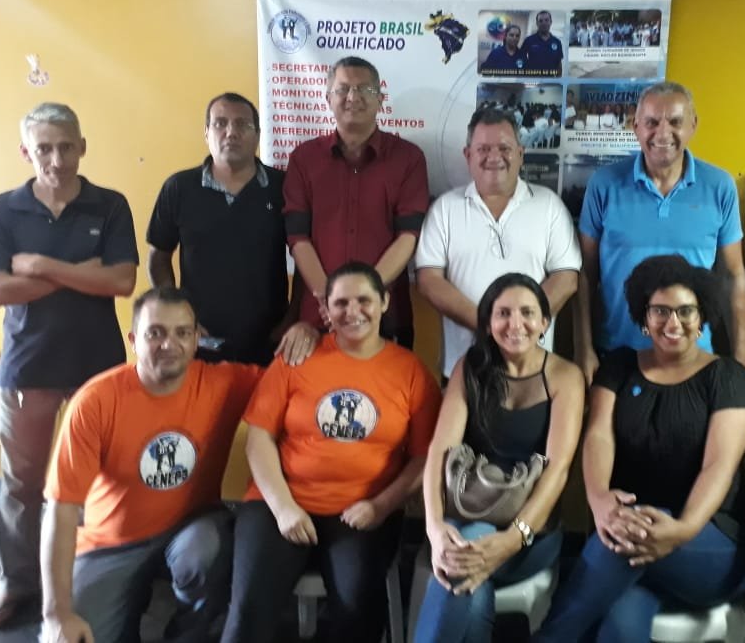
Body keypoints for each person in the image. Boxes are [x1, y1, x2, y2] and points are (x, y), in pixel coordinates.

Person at [39, 287, 315, 643]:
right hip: (110, 542)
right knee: (69, 636)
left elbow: (296, 381)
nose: (170, 344)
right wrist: (56, 612)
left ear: (197, 339)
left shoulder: (225, 383)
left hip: (191, 529)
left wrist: (307, 331)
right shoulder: (96, 401)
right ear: (134, 340)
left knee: (207, 550)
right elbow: (61, 508)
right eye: (155, 333)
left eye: (182, 333)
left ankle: (188, 633)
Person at [534, 255, 745, 643]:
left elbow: (719, 467)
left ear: (702, 317)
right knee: (620, 624)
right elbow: (599, 436)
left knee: (623, 542)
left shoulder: (728, 377)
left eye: (686, 311)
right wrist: (599, 500)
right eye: (660, 311)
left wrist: (684, 529)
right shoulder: (620, 366)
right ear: (644, 316)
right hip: (631, 537)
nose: (673, 322)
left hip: (713, 541)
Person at [0, 102, 138, 631]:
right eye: (44, 148)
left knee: (104, 479)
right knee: (22, 487)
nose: (56, 159)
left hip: (98, 365)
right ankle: (17, 584)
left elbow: (121, 282)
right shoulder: (2, 211)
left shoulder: (109, 205)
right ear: (26, 152)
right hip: (27, 366)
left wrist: (42, 267)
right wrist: (81, 273)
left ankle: (97, 577)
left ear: (82, 147)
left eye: (66, 146)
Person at [221, 262, 442, 643]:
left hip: (362, 512)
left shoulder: (412, 372)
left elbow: (425, 458)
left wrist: (382, 506)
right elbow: (259, 439)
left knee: (357, 610)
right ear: (325, 310)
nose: (352, 311)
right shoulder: (295, 359)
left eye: (364, 300)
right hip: (280, 503)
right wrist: (283, 507)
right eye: (340, 303)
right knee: (248, 611)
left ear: (384, 302)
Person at [414, 273, 585, 643]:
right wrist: (434, 528)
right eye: (503, 313)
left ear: (545, 322)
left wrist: (514, 537)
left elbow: (558, 471)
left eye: (527, 313)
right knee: (466, 578)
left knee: (459, 566)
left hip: (532, 530)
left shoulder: (565, 377)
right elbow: (439, 451)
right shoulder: (469, 367)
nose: (515, 324)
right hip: (466, 515)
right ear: (488, 324)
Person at [575, 81, 745, 386]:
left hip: (694, 358)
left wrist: (742, 357)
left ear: (693, 125)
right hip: (617, 356)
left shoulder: (720, 186)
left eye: (675, 122)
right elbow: (585, 275)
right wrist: (582, 349)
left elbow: (733, 276)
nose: (663, 133)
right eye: (652, 122)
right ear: (636, 126)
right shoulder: (604, 184)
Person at [416, 109, 581, 382]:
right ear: (468, 155)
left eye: (504, 148)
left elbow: (566, 278)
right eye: (483, 149)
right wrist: (490, 326)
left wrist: (522, 326)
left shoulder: (549, 206)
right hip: (463, 369)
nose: (494, 157)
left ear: (520, 153)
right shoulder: (445, 209)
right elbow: (428, 280)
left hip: (533, 369)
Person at [283, 56, 429, 349]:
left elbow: (408, 237)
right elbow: (297, 237)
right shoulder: (303, 159)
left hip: (385, 316)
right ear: (328, 98)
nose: (353, 97)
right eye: (343, 89)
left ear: (380, 100)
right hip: (318, 318)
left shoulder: (408, 158)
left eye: (365, 89)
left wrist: (364, 298)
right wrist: (329, 299)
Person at [147, 91, 295, 365]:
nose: (231, 132)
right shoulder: (179, 188)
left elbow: (305, 255)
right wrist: (177, 315)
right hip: (199, 339)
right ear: (206, 133)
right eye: (220, 123)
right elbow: (159, 257)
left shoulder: (284, 187)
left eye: (242, 124)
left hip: (270, 340)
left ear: (258, 135)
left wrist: (291, 320)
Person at [522, 11, 563, 77]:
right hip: (532, 79)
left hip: (550, 80)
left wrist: (558, 80)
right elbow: (521, 60)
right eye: (540, 21)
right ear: (537, 23)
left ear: (551, 22)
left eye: (546, 20)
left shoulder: (557, 42)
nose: (544, 23)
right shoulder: (528, 40)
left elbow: (559, 64)